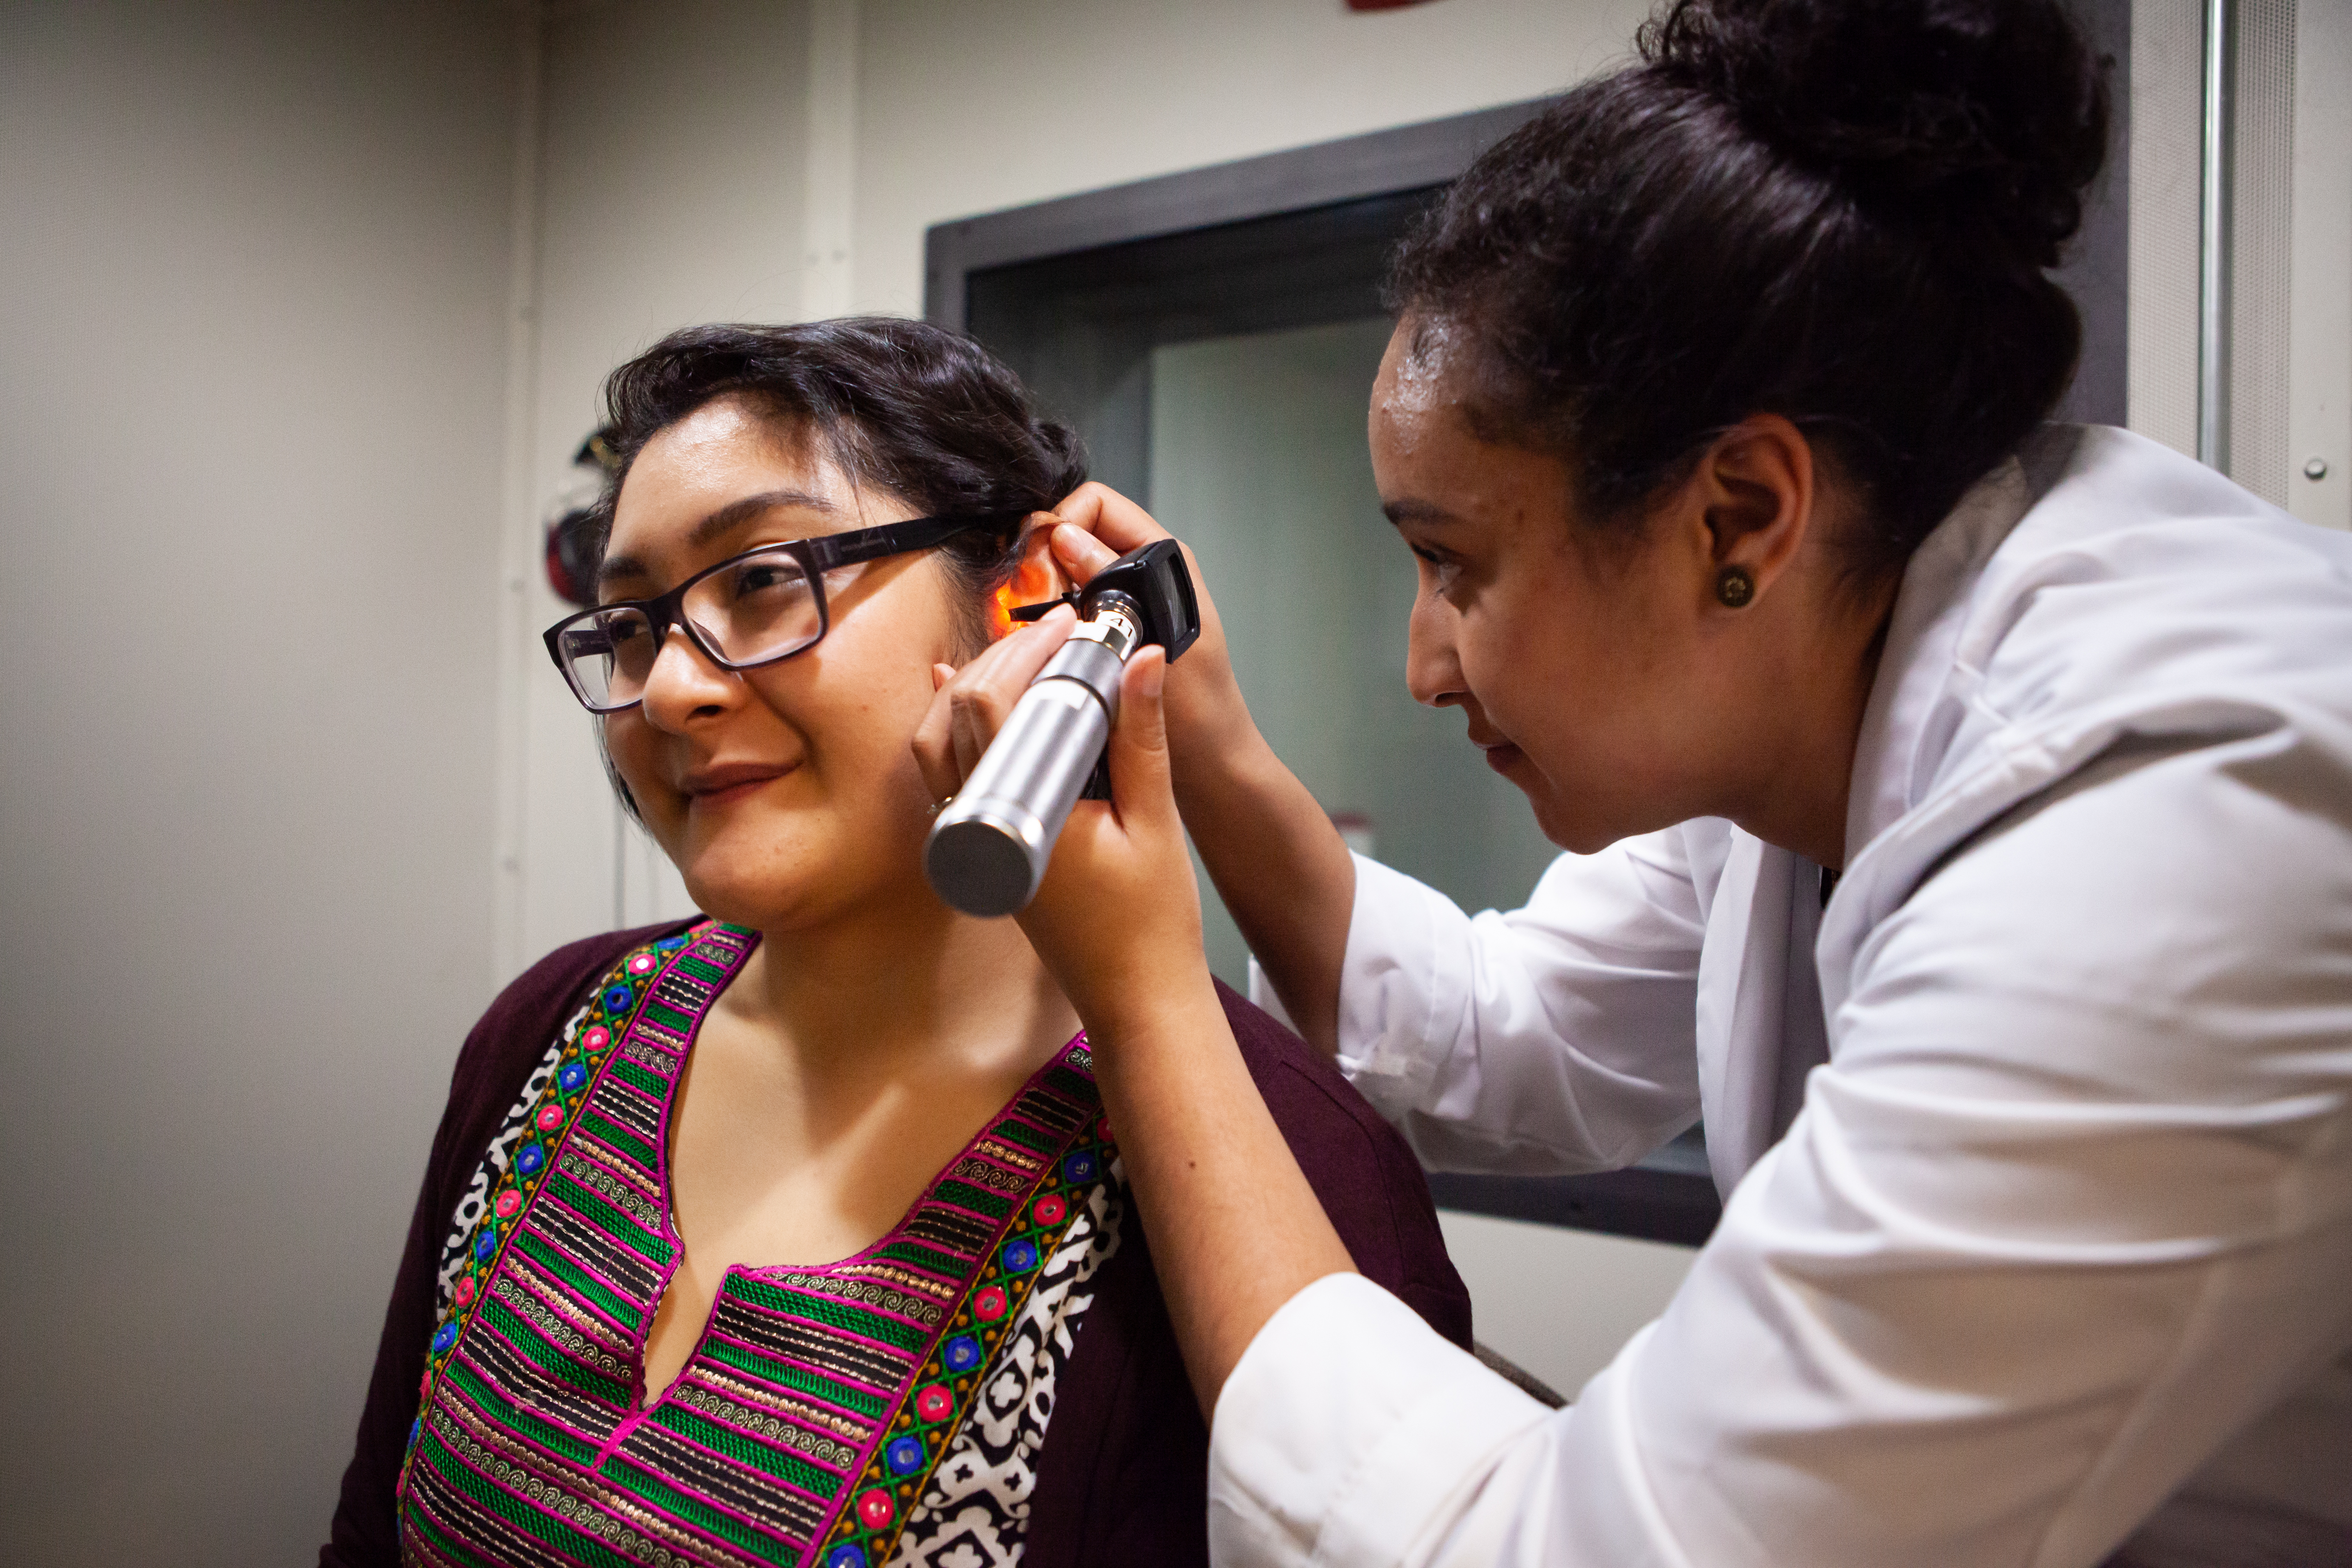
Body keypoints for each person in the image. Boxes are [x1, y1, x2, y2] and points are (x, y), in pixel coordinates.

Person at [921, 0, 2352, 1563]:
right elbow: (1503, 1038)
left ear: (1740, 515)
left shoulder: (2165, 823)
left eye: (1453, 565)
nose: (1426, 663)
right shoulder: (1820, 718)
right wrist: (1220, 754)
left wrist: (1144, 997)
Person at [319, 319, 1471, 1568]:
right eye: (635, 626)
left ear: (1030, 600)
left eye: (762, 580)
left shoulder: (1288, 1173)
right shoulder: (553, 1033)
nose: (666, 693)